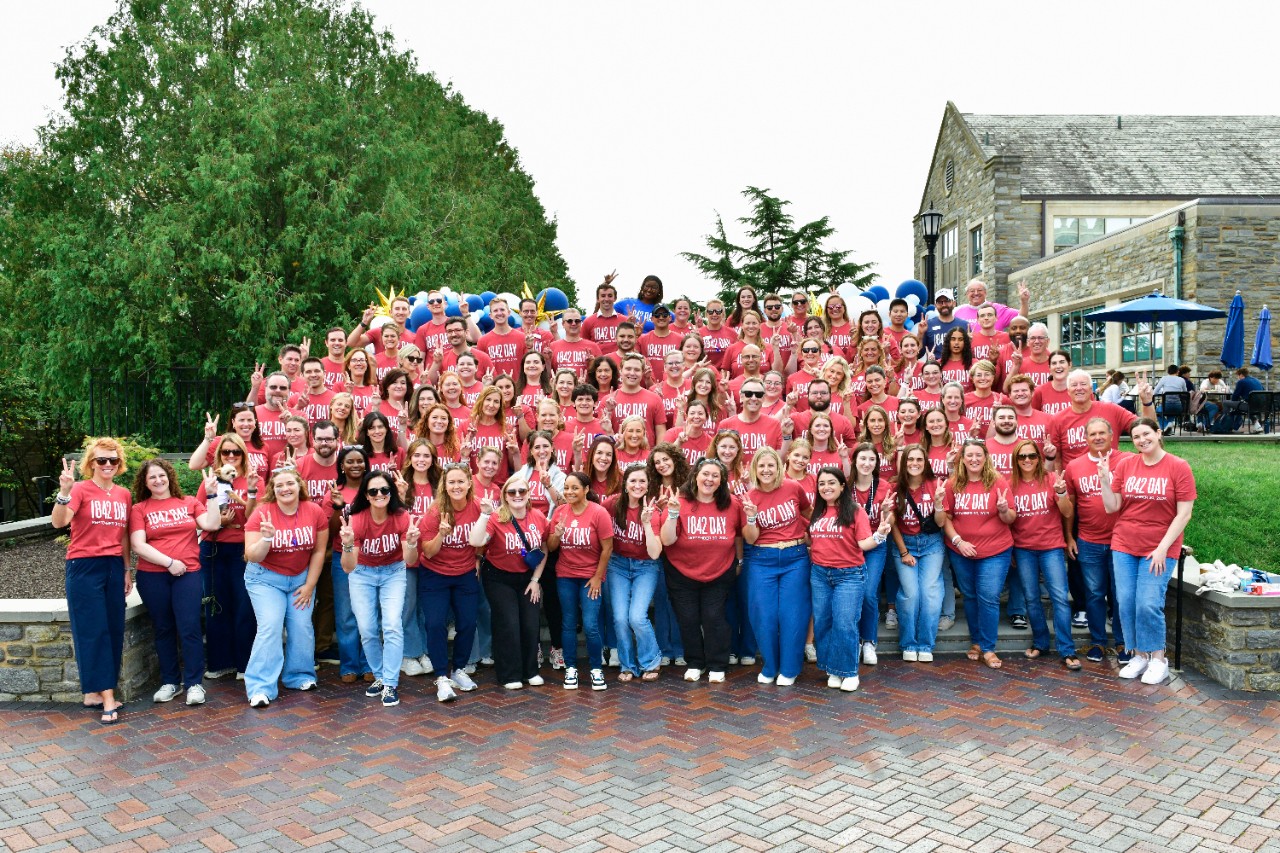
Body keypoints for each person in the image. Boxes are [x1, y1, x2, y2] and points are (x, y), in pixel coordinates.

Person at [1098, 418, 1196, 685]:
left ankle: (1158, 659)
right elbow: (1111, 506)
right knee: (1126, 602)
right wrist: (1104, 480)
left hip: (1160, 548)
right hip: (1125, 544)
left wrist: (1163, 548)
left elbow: (1184, 513)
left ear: (1158, 433)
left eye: (1146, 434)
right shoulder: (1127, 464)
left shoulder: (1178, 466)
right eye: (1136, 437)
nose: (1142, 440)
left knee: (1148, 603)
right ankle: (1138, 655)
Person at [129, 459, 222, 706]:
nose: (158, 481)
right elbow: (138, 545)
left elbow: (212, 524)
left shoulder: (189, 502)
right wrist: (169, 562)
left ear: (169, 476)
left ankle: (194, 684)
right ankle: (170, 682)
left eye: (162, 475)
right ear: (145, 483)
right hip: (153, 576)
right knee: (163, 628)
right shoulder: (140, 509)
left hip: (188, 573)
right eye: (152, 478)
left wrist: (212, 495)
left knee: (189, 627)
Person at [52, 439, 132, 724]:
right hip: (84, 566)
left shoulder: (124, 494)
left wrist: (126, 569)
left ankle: (93, 692)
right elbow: (59, 522)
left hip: (113, 566)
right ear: (91, 463)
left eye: (112, 460)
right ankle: (108, 697)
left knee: (112, 628)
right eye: (101, 461)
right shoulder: (80, 489)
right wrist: (64, 491)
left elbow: (123, 535)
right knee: (92, 629)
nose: (107, 465)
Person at [242, 467, 329, 708]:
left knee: (302, 626)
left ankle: (299, 676)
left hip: (300, 580)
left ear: (299, 485)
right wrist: (267, 538)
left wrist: (310, 584)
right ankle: (260, 687)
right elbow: (251, 555)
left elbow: (319, 550)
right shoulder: (261, 513)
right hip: (265, 579)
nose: (285, 489)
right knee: (270, 626)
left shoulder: (314, 511)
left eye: (289, 483)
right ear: (272, 490)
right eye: (279, 485)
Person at [659, 458, 746, 683]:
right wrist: (672, 514)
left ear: (722, 480)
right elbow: (667, 540)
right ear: (695, 475)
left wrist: (739, 561)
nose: (709, 479)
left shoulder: (732, 504)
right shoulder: (679, 502)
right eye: (705, 474)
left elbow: (738, 533)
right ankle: (695, 662)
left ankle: (718, 663)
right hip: (681, 572)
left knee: (713, 616)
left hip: (719, 572)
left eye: (715, 476)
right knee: (687, 618)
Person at [338, 471, 418, 707]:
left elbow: (410, 559)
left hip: (393, 571)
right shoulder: (358, 519)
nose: (379, 494)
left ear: (391, 492)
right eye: (373, 491)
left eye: (384, 490)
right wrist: (348, 544)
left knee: (392, 625)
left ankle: (390, 683)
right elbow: (348, 567)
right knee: (367, 628)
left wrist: (412, 542)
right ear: (366, 494)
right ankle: (380, 676)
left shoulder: (402, 516)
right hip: (362, 573)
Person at [809, 466, 892, 691]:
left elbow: (863, 544)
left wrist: (880, 535)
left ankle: (848, 671)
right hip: (820, 574)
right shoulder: (817, 511)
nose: (826, 487)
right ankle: (832, 667)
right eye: (822, 483)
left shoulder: (855, 510)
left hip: (849, 575)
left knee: (845, 622)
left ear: (842, 486)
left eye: (831, 483)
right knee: (824, 622)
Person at [937, 439, 1016, 670]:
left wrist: (1003, 510)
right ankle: (977, 642)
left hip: (995, 550)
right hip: (961, 550)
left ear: (986, 457)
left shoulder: (998, 482)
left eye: (978, 455)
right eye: (969, 455)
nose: (974, 459)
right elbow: (947, 519)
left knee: (989, 596)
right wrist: (958, 541)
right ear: (962, 459)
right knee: (970, 596)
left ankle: (989, 647)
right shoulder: (953, 484)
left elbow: (1011, 518)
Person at [470, 474, 549, 689]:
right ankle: (509, 674)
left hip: (527, 578)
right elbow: (476, 541)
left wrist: (536, 580)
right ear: (505, 496)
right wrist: (485, 515)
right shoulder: (496, 517)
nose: (517, 495)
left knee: (530, 624)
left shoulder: (538, 517)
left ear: (529, 494)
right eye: (511, 492)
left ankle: (530, 670)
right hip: (499, 577)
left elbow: (543, 549)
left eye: (521, 491)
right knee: (509, 624)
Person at [741, 448, 812, 685]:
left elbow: (808, 513)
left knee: (792, 614)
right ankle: (770, 666)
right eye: (761, 466)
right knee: (764, 614)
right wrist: (751, 517)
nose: (766, 470)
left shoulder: (793, 487)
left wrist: (812, 539)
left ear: (779, 467)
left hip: (795, 557)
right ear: (754, 469)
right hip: (762, 559)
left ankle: (790, 669)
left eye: (771, 465)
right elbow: (750, 538)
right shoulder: (750, 496)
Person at [1008, 440, 1079, 670]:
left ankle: (1067, 649)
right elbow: (1006, 520)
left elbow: (1068, 512)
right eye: (1022, 456)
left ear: (1039, 458)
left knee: (1059, 597)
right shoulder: (1009, 484)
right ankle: (1040, 642)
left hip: (1050, 547)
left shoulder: (1051, 480)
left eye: (1031, 455)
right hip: (1023, 548)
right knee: (1031, 597)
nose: (1027, 460)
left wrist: (1060, 494)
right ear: (1016, 460)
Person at [417, 464, 484, 702]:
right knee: (435, 624)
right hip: (435, 574)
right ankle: (441, 677)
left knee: (467, 623)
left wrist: (477, 557)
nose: (456, 486)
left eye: (460, 482)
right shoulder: (435, 512)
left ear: (468, 484)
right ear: (445, 486)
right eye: (451, 482)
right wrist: (441, 535)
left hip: (465, 574)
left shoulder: (477, 507)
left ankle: (458, 670)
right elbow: (428, 552)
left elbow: (485, 537)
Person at [200, 432, 260, 681]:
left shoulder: (252, 479)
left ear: (243, 454)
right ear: (219, 456)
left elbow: (256, 515)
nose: (232, 456)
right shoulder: (211, 480)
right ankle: (219, 662)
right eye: (226, 452)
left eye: (236, 452)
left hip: (242, 547)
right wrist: (218, 520)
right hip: (213, 546)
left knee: (244, 605)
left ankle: (244, 664)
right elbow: (199, 512)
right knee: (216, 603)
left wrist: (252, 494)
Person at [548, 471, 614, 690]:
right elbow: (550, 547)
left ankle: (596, 669)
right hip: (566, 575)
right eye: (566, 487)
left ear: (586, 490)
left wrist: (597, 577)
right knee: (568, 623)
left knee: (591, 624)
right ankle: (571, 669)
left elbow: (608, 548)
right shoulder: (559, 512)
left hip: (590, 577)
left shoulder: (599, 513)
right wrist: (556, 534)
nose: (569, 492)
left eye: (575, 487)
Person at [604, 465, 664, 682]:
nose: (638, 486)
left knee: (637, 617)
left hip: (646, 566)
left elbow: (655, 553)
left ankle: (651, 661)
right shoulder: (612, 504)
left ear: (649, 486)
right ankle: (628, 665)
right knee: (620, 618)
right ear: (625, 484)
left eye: (642, 482)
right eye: (633, 481)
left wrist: (646, 524)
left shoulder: (653, 511)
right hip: (618, 565)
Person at [890, 445, 944, 661]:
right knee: (911, 594)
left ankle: (926, 644)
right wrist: (904, 552)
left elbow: (940, 523)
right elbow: (892, 524)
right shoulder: (895, 488)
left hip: (931, 544)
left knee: (929, 592)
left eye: (919, 459)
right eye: (910, 459)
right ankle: (908, 643)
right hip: (905, 544)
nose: (914, 463)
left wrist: (938, 503)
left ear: (925, 462)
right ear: (904, 463)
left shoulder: (934, 485)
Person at [1049, 369, 1155, 466]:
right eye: (1074, 385)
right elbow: (1057, 459)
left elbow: (1148, 428)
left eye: (1083, 384)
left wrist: (1147, 402)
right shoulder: (1058, 420)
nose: (1079, 388)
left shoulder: (1111, 410)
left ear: (1091, 389)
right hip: (1077, 482)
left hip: (1112, 478)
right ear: (1068, 391)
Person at [954, 278, 1031, 331]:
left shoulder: (998, 309)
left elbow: (1021, 317)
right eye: (972, 291)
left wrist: (1024, 301)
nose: (976, 293)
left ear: (985, 292)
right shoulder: (957, 311)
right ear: (967, 294)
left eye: (980, 290)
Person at [550, 308, 603, 378]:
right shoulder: (553, 346)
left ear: (581, 323)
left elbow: (601, 374)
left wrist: (591, 365)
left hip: (586, 388)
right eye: (569, 321)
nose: (574, 324)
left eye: (577, 321)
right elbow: (548, 374)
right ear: (563, 324)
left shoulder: (593, 346)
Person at [920, 288, 967, 360]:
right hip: (936, 368)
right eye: (940, 302)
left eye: (947, 301)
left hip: (958, 368)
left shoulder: (964, 325)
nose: (944, 304)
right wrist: (920, 334)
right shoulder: (927, 325)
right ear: (935, 305)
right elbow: (919, 353)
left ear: (954, 303)